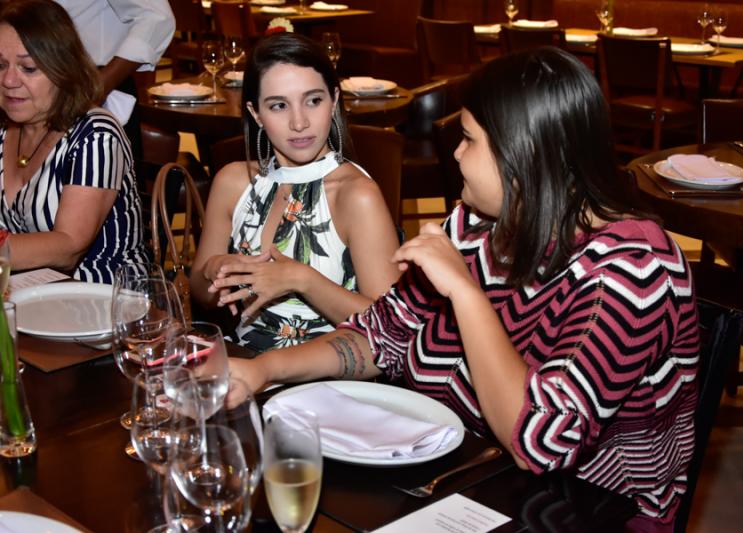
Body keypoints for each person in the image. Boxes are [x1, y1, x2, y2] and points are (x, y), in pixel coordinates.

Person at [230, 48, 700, 530]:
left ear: (523, 153)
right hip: (460, 478)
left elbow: (541, 442)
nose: (456, 153)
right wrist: (260, 371)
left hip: (584, 511)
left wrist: (466, 294)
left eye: (470, 139)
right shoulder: (477, 224)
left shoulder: (634, 272)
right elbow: (381, 333)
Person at [190, 33, 400, 352]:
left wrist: (302, 280)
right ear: (256, 113)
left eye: (313, 100)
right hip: (243, 362)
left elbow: (391, 329)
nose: (299, 122)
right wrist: (213, 270)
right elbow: (200, 292)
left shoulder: (356, 195)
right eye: (278, 106)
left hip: (328, 372)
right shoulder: (233, 182)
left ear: (334, 100)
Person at [0, 0, 148, 283]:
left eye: (28, 68)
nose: (8, 80)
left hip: (104, 298)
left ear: (63, 70)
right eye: (0, 65)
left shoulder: (96, 133)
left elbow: (68, 246)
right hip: (26, 295)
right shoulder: (4, 128)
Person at [53, 0, 175, 157]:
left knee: (95, 167)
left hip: (93, 88)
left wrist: (101, 85)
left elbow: (158, 18)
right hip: (41, 81)